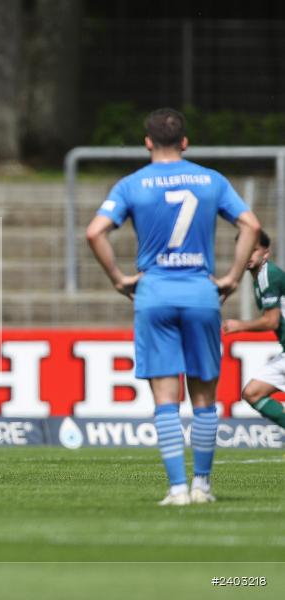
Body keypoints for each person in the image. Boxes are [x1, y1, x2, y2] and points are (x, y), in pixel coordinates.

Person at [86, 108, 260, 505]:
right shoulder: (211, 180)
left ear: (147, 142)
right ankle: (202, 486)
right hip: (201, 293)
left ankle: (177, 488)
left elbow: (95, 232)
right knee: (204, 399)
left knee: (166, 399)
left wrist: (118, 278)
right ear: (185, 142)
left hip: (155, 295)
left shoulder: (131, 184)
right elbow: (250, 225)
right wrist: (233, 277)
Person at [222, 230, 285, 429]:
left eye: (254, 250)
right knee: (253, 393)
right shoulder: (259, 277)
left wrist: (240, 325)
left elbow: (272, 321)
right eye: (245, 249)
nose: (248, 254)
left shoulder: (268, 275)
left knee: (253, 392)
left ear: (266, 253)